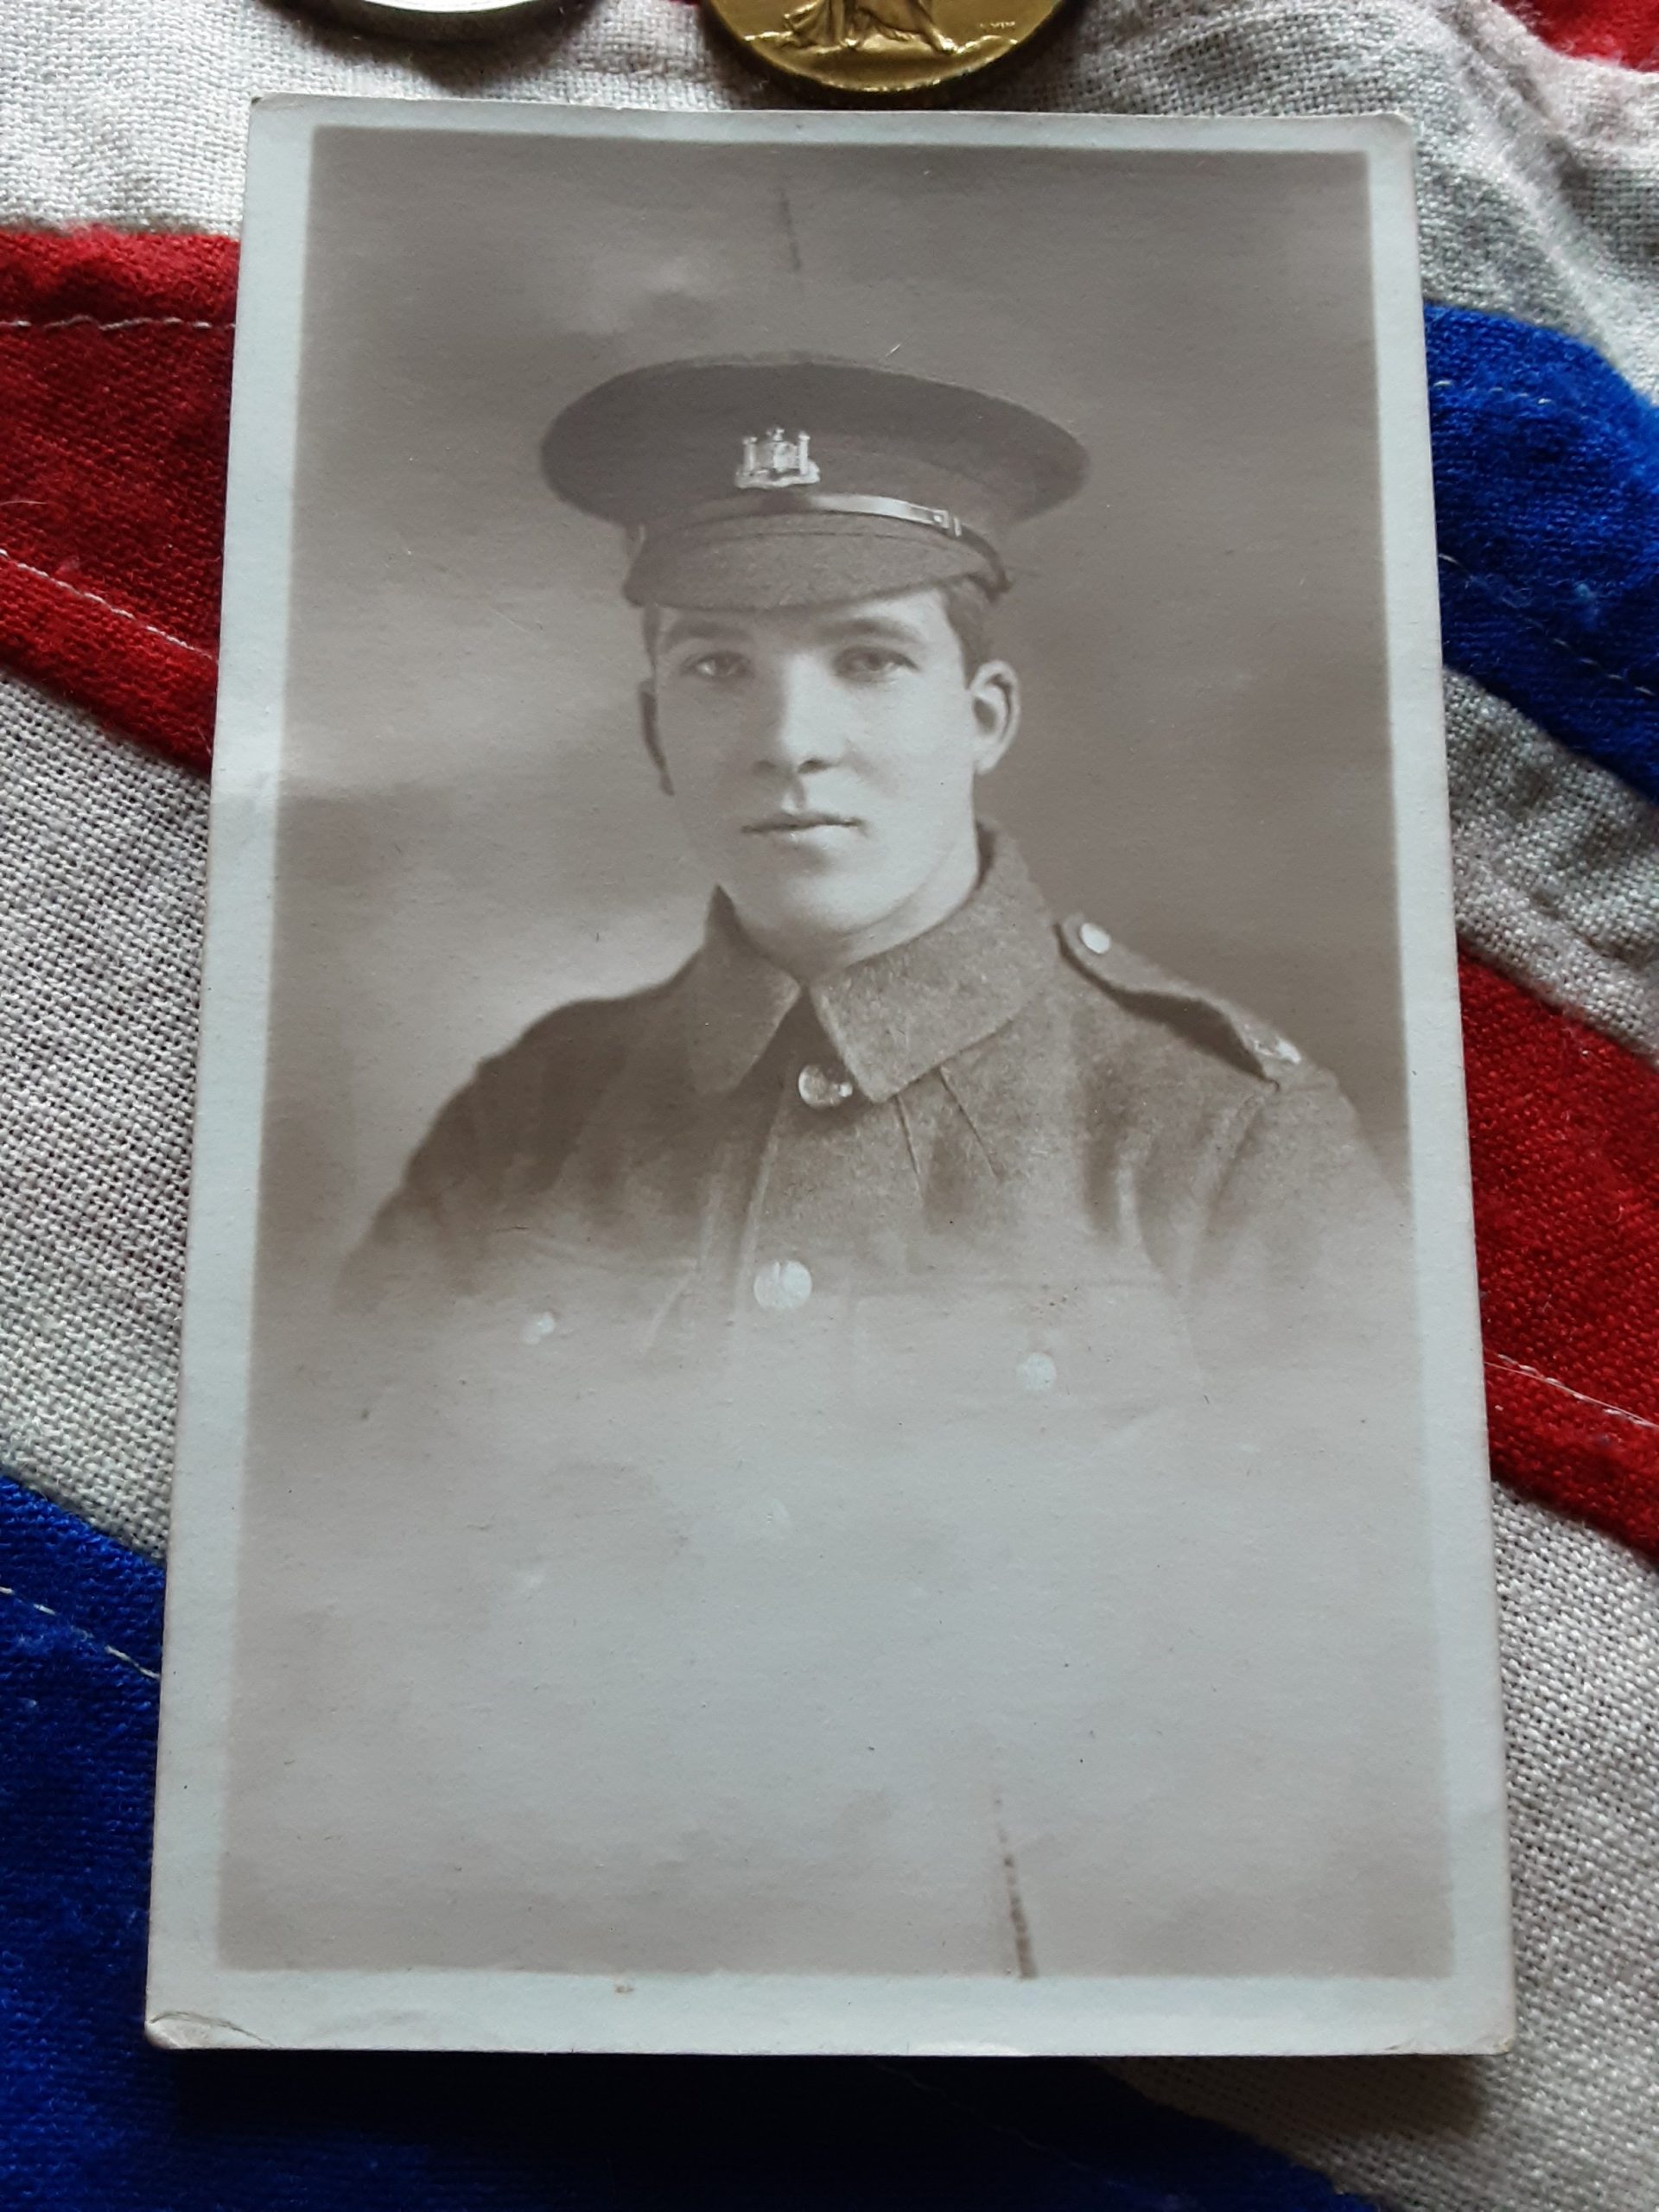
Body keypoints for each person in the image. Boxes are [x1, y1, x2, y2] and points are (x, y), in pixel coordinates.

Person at [323, 357, 1440, 1978]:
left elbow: (1358, 1696)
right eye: (718, 669)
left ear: (979, 719)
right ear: (654, 730)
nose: (791, 741)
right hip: (556, 1969)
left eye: (867, 661)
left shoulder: (1214, 1124)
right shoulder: (536, 1108)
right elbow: (351, 1589)